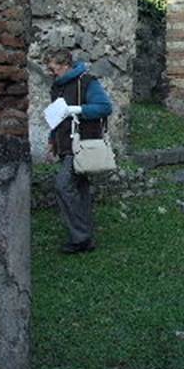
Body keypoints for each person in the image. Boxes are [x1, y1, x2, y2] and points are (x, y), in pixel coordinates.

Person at [46, 48, 113, 254]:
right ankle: (85, 234)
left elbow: (104, 107)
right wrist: (51, 141)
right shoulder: (57, 87)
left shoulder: (87, 82)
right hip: (66, 145)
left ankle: (81, 237)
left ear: (65, 66)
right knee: (80, 189)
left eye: (54, 68)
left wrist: (78, 110)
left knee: (63, 185)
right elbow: (56, 118)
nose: (51, 72)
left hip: (82, 143)